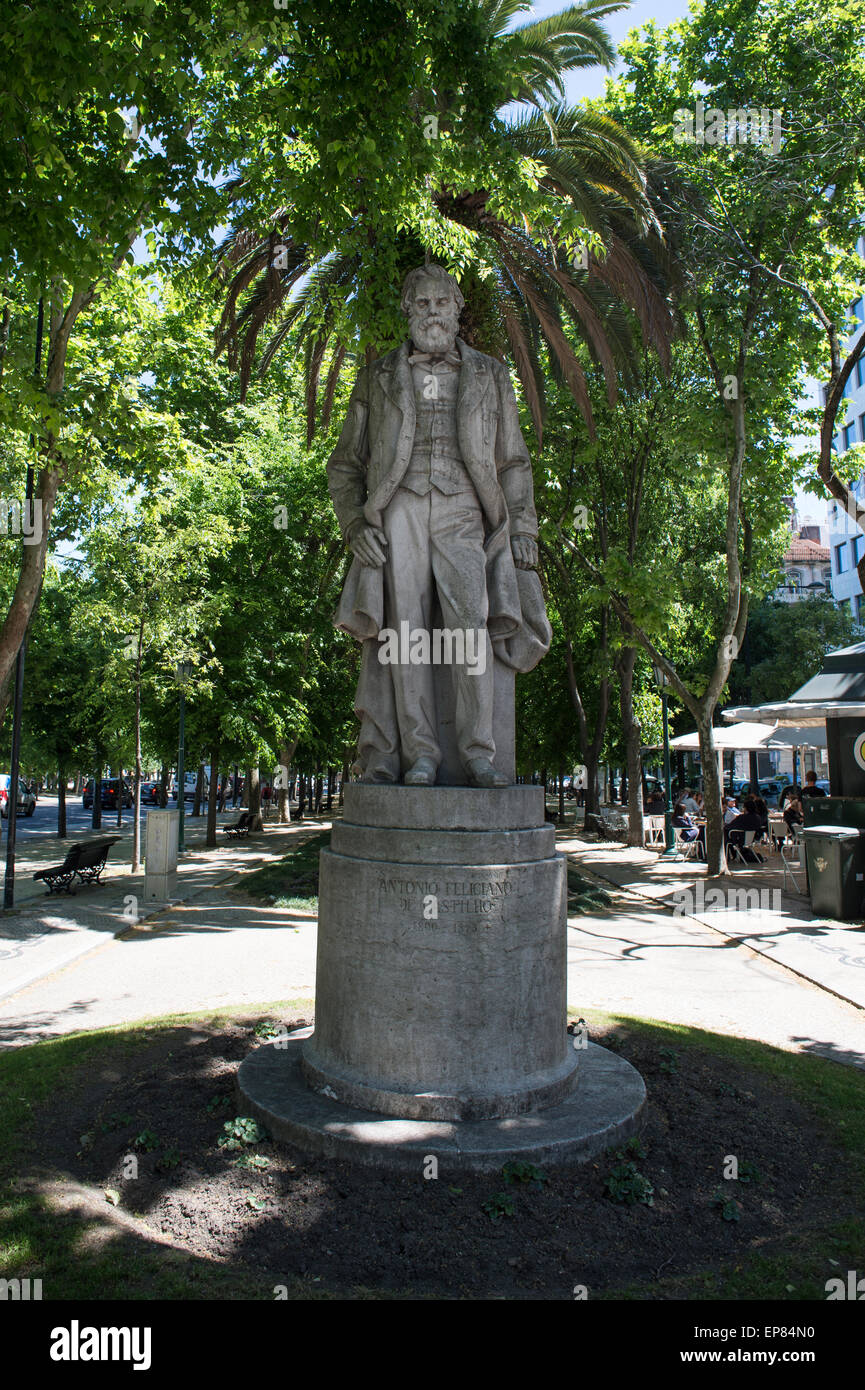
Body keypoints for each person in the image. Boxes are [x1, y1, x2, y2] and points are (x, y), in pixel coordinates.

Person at [327, 262, 551, 788]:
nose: (432, 313)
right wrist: (355, 522)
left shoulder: (492, 375)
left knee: (469, 626)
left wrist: (523, 530)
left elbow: (514, 463)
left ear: (457, 309)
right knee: (406, 633)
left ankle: (477, 752)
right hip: (399, 508)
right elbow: (345, 465)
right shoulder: (377, 376)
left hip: (465, 510)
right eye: (422, 303)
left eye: (441, 303)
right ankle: (421, 754)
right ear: (407, 310)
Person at [726, 796, 764, 862]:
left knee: (726, 834)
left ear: (746, 808)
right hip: (752, 839)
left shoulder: (742, 818)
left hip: (740, 839)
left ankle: (727, 857)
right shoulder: (757, 818)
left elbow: (730, 826)